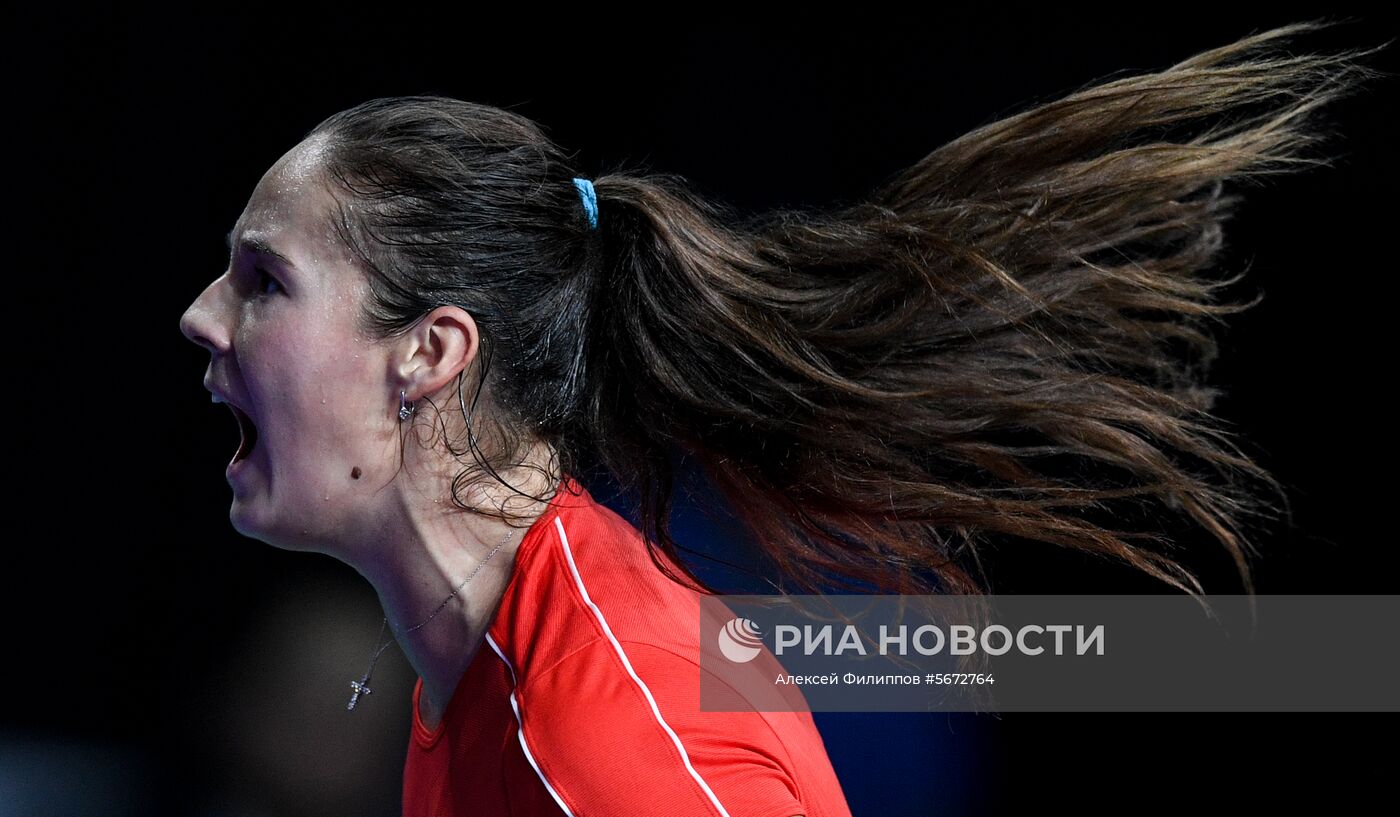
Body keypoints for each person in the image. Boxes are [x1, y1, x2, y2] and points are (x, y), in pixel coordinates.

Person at [178, 21, 1383, 817]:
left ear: (429, 354)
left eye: (264, 280)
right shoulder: (490, 670)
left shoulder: (606, 737)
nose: (201, 316)